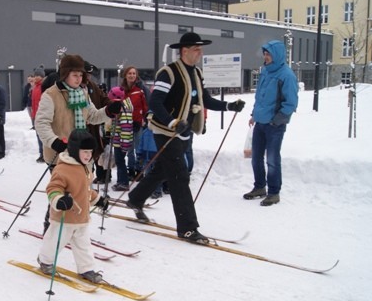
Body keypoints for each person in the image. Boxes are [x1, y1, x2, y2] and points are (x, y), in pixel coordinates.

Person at [126, 32, 245, 244]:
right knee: (180, 175)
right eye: (197, 49)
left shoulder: (196, 73)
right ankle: (188, 228)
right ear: (184, 51)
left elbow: (204, 99)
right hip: (166, 131)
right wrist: (172, 122)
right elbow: (155, 103)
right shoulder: (168, 73)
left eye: (201, 49)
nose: (200, 53)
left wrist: (229, 106)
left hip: (184, 132)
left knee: (163, 170)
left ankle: (135, 199)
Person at [35, 54, 121, 233]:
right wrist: (54, 142)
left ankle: (74, 225)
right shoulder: (51, 95)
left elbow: (92, 116)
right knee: (63, 191)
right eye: (75, 75)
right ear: (65, 74)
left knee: (80, 189)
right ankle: (51, 225)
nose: (79, 79)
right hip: (60, 153)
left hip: (81, 153)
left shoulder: (82, 93)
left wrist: (108, 111)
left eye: (81, 75)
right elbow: (41, 123)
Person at [37, 129, 109, 283]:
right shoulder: (63, 169)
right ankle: (45, 261)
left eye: (90, 152)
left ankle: (86, 268)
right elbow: (53, 188)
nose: (88, 155)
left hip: (81, 217)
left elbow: (86, 190)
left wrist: (99, 200)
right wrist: (59, 200)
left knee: (83, 246)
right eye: (85, 152)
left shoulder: (85, 167)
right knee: (55, 242)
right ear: (75, 151)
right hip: (65, 217)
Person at [243, 40, 299, 206]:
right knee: (256, 158)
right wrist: (254, 114)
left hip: (275, 126)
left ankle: (274, 192)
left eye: (268, 54)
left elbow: (291, 103)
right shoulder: (265, 72)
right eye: (265, 53)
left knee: (272, 160)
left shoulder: (286, 75)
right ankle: (260, 187)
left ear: (277, 55)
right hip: (260, 123)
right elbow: (260, 97)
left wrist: (277, 121)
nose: (265, 57)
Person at [120, 66, 148, 180]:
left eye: (134, 73)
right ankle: (130, 169)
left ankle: (139, 169)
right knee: (129, 149)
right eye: (129, 73)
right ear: (125, 75)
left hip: (138, 123)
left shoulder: (140, 89)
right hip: (126, 123)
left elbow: (145, 106)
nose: (132, 75)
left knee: (139, 148)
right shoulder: (121, 90)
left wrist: (144, 119)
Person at [108, 86, 135, 191]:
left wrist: (124, 144)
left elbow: (126, 128)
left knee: (120, 161)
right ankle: (120, 181)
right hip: (118, 141)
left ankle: (123, 182)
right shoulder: (119, 108)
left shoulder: (124, 109)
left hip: (121, 142)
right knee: (119, 161)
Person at [30, 65, 46, 163]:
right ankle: (41, 153)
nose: (35, 77)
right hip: (36, 115)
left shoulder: (43, 87)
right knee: (38, 135)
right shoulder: (35, 87)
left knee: (42, 136)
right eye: (35, 75)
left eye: (38, 76)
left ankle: (45, 154)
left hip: (42, 115)